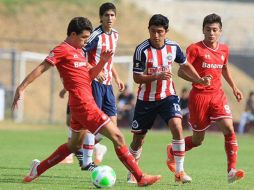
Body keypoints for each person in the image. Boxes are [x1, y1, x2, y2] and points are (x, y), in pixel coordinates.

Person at [12, 16, 161, 187]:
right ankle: (140, 178)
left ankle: (37, 170)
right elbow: (41, 68)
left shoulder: (78, 52)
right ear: (73, 34)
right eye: (83, 38)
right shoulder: (62, 49)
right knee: (118, 137)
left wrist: (102, 63)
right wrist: (21, 88)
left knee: (74, 146)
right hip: (84, 105)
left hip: (80, 105)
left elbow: (87, 77)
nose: (85, 42)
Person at [127, 14, 211, 184]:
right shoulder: (141, 50)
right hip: (146, 99)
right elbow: (137, 78)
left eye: (159, 32)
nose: (156, 35)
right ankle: (133, 172)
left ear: (166, 32)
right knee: (138, 139)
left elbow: (185, 64)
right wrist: (156, 76)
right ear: (148, 30)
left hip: (168, 96)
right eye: (152, 31)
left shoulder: (173, 47)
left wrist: (199, 79)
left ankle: (179, 171)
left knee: (177, 126)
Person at [167, 13, 245, 184]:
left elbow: (224, 68)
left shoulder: (224, 49)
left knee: (229, 129)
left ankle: (231, 170)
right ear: (203, 30)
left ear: (220, 31)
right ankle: (172, 150)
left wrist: (234, 87)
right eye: (208, 29)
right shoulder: (195, 49)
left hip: (217, 96)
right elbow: (181, 71)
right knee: (198, 140)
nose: (211, 33)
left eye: (215, 30)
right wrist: (199, 80)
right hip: (199, 97)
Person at [80, 2, 125, 170]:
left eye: (112, 15)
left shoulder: (115, 35)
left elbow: (109, 59)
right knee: (93, 124)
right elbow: (80, 55)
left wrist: (117, 78)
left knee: (113, 126)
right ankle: (86, 161)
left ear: (116, 17)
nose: (110, 18)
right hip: (94, 84)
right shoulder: (95, 36)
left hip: (107, 86)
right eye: (106, 15)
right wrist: (94, 70)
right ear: (101, 17)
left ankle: (83, 148)